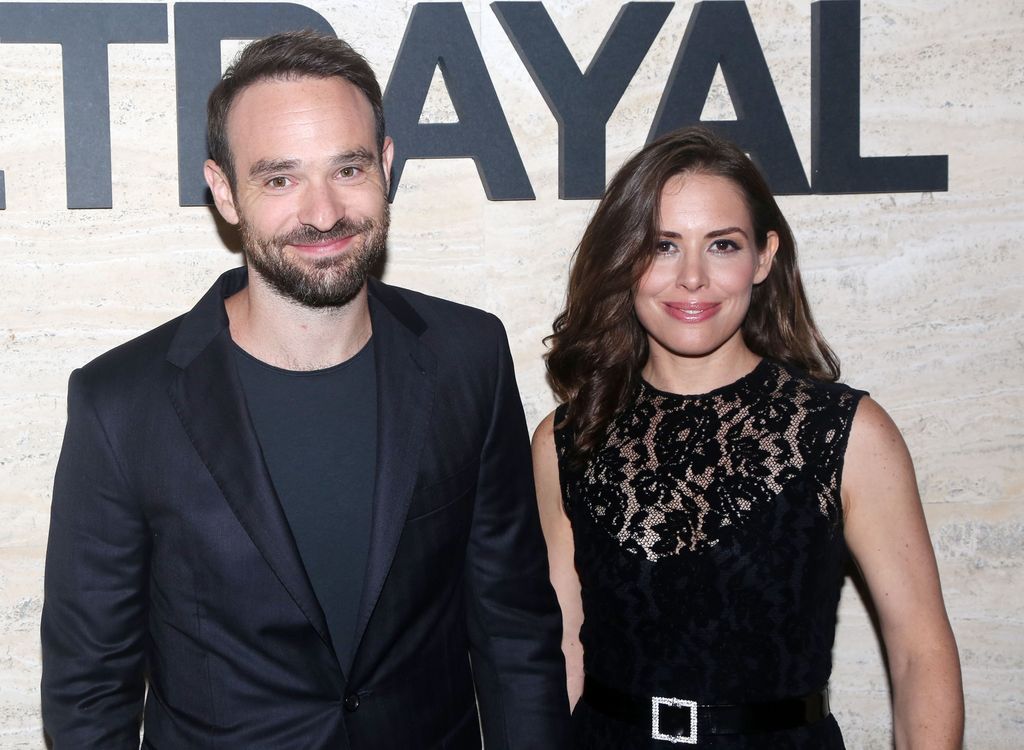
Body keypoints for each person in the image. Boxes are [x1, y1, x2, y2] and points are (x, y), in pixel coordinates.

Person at [41, 30, 569, 749]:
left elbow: (515, 635)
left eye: (347, 169)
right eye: (280, 178)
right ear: (226, 193)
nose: (322, 214)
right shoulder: (122, 404)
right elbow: (89, 691)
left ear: (385, 167)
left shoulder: (466, 359)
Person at [532, 127, 964, 748]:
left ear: (763, 257)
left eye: (723, 245)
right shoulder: (568, 440)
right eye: (663, 246)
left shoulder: (845, 435)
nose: (692, 278)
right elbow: (563, 653)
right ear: (625, 258)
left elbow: (920, 652)